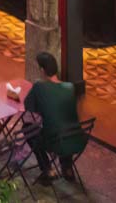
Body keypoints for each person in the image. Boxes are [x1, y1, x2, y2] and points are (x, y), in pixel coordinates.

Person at [23, 51, 83, 184]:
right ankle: (67, 168)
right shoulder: (70, 87)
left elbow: (28, 105)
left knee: (28, 129)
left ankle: (48, 169)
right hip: (76, 139)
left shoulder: (40, 87)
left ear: (42, 70)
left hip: (55, 142)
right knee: (62, 125)